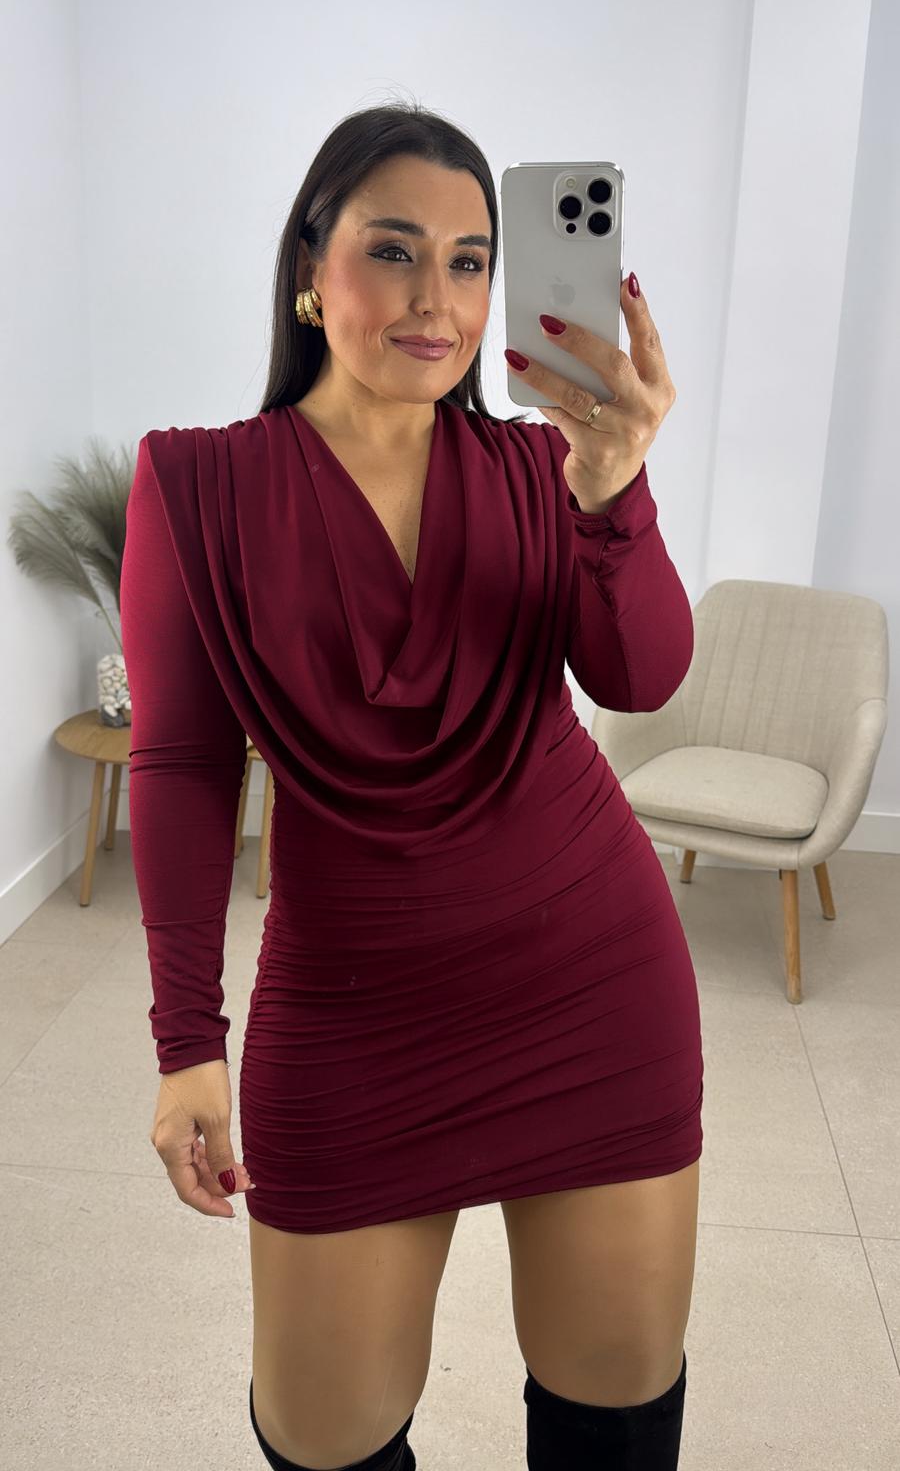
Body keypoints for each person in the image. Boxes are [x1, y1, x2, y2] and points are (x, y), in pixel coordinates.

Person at [121, 100, 703, 1471]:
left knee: (615, 1419)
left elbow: (642, 677)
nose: (436, 298)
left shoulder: (543, 466)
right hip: (351, 1011)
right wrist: (186, 1038)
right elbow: (183, 764)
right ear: (308, 268)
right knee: (322, 1439)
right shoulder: (193, 484)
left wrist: (616, 490)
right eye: (393, 250)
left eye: (469, 259)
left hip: (591, 981)